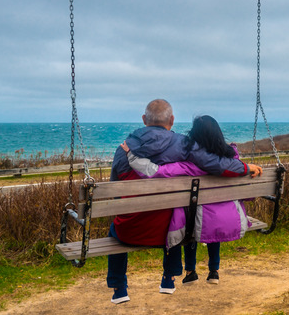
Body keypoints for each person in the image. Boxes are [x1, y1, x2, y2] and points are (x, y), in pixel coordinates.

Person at [106, 99, 261, 303]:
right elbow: (215, 164)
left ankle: (119, 288)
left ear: (144, 120)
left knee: (114, 229)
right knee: (174, 211)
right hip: (171, 232)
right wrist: (244, 167)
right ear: (172, 120)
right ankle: (169, 277)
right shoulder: (184, 145)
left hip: (130, 231)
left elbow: (116, 194)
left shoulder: (123, 149)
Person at [122, 115, 248, 290]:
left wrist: (132, 156)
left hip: (197, 218)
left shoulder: (189, 165)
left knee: (193, 220)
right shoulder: (232, 161)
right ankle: (214, 270)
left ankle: (190, 271)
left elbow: (156, 171)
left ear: (194, 137)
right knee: (211, 218)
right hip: (227, 217)